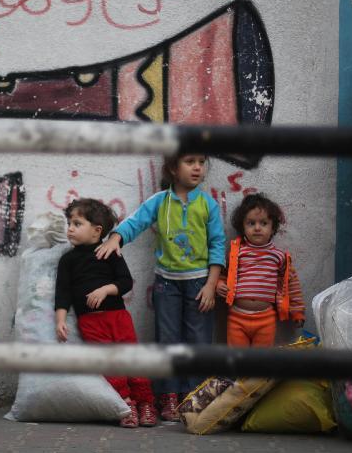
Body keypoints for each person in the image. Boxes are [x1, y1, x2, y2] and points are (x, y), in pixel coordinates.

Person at [95, 153, 225, 422]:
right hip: (167, 284)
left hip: (200, 283)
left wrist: (212, 285)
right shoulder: (160, 202)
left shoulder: (207, 205)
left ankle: (194, 396)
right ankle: (168, 395)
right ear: (173, 168)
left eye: (201, 162)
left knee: (199, 342)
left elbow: (218, 245)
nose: (198, 167)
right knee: (167, 340)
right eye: (190, 162)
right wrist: (116, 237)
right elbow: (136, 221)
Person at [54, 198, 158, 428]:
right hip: (90, 322)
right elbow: (62, 293)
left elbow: (125, 282)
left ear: (97, 231)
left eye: (77, 223)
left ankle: (145, 402)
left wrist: (105, 290)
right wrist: (60, 320)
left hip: (118, 318)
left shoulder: (109, 252)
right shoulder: (67, 261)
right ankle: (125, 404)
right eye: (69, 223)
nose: (70, 228)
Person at [214, 193, 305, 347]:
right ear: (242, 227)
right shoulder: (237, 253)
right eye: (251, 223)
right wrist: (218, 285)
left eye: (263, 223)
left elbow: (291, 284)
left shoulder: (279, 257)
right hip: (237, 318)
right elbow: (224, 274)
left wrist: (297, 311)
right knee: (237, 360)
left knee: (261, 363)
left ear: (272, 227)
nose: (257, 228)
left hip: (266, 320)